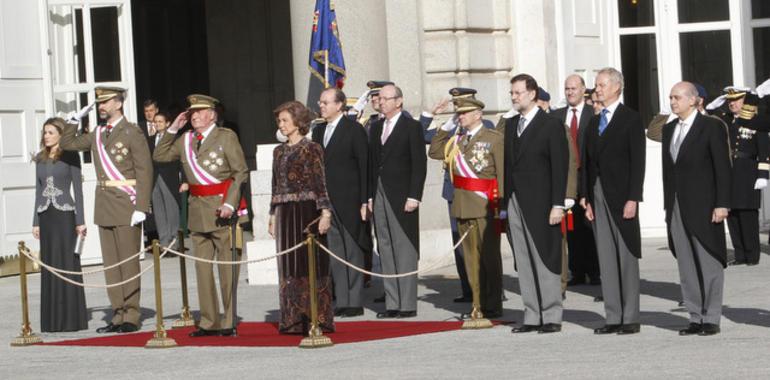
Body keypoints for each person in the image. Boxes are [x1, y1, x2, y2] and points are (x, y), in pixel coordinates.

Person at [154, 94, 249, 337]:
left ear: (212, 115)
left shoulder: (226, 137)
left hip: (221, 209)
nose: (194, 115)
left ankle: (228, 321)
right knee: (203, 270)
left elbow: (240, 172)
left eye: (200, 111)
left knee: (227, 269)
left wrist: (230, 203)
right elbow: (160, 155)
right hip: (197, 211)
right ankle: (209, 321)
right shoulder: (185, 139)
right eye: (192, 112)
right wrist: (173, 127)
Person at [60, 86, 152, 334]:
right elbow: (67, 143)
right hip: (104, 205)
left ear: (119, 103)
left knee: (128, 264)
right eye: (99, 102)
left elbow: (144, 170)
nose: (101, 106)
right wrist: (73, 120)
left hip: (126, 204)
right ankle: (118, 313)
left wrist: (141, 206)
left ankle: (131, 315)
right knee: (111, 264)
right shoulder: (98, 133)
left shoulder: (132, 132)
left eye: (106, 102)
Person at [662, 82, 731, 336]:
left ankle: (711, 316)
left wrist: (722, 203)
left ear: (694, 100)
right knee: (687, 264)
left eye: (677, 97)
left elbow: (722, 168)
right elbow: (668, 172)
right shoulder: (669, 129)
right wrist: (667, 207)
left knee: (708, 260)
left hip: (705, 205)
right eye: (671, 97)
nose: (672, 102)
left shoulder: (711, 127)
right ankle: (695, 316)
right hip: (677, 204)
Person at [502, 74, 569, 333]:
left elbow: (559, 167)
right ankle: (532, 314)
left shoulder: (550, 125)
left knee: (544, 256)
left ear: (532, 94)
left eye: (518, 92)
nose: (514, 97)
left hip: (542, 201)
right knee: (524, 258)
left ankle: (551, 313)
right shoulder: (511, 125)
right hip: (516, 199)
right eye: (512, 93)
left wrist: (558, 204)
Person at [582, 67, 646, 335]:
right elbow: (587, 162)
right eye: (596, 85)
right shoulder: (594, 121)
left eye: (602, 85)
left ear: (617, 87)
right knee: (606, 257)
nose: (597, 89)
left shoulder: (630, 118)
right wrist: (585, 196)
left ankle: (630, 316)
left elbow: (638, 162)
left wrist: (634, 197)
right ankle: (613, 316)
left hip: (622, 196)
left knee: (625, 255)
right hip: (597, 194)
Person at [428, 97, 504, 319]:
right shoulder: (456, 141)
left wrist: (502, 205)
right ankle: (476, 301)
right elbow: (434, 152)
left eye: (464, 113)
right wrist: (447, 127)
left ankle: (493, 303)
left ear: (478, 114)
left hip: (484, 206)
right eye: (458, 114)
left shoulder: (493, 139)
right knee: (469, 258)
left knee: (488, 258)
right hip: (461, 206)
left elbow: (501, 173)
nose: (460, 116)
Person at [269, 100, 334, 333]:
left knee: (311, 263)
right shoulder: (278, 151)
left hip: (308, 211)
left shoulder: (312, 148)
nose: (282, 124)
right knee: (289, 264)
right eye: (280, 121)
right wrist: (272, 215)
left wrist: (325, 213)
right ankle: (293, 318)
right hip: (285, 213)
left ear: (298, 122)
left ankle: (316, 317)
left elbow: (320, 182)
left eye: (286, 120)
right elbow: (275, 185)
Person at [368, 84, 427, 318]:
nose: (380, 102)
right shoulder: (375, 128)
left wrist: (415, 195)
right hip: (379, 192)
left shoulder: (411, 127)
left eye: (385, 98)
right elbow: (372, 164)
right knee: (385, 247)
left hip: (402, 195)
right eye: (379, 98)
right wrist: (369, 197)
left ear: (398, 101)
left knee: (404, 248)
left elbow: (418, 165)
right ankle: (392, 303)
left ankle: (407, 304)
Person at [311, 88, 370, 318]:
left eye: (326, 102)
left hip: (350, 199)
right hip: (326, 202)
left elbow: (364, 166)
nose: (322, 106)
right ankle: (342, 299)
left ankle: (354, 301)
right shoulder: (319, 131)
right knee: (335, 252)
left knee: (352, 250)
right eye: (320, 102)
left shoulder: (353, 129)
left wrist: (365, 200)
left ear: (340, 105)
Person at [32, 117, 88, 332]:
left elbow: (79, 192)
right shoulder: (40, 158)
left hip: (66, 216)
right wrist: (35, 221)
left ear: (60, 135)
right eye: (44, 132)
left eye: (50, 132)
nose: (46, 136)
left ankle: (70, 319)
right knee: (50, 264)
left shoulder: (71, 156)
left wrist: (80, 221)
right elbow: (38, 192)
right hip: (46, 217)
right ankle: (52, 319)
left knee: (66, 263)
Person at [552, 75, 600, 287]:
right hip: (566, 179)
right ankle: (577, 270)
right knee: (570, 228)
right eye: (566, 89)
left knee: (589, 225)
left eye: (573, 88)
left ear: (583, 90)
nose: (570, 92)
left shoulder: (593, 114)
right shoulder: (556, 116)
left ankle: (595, 271)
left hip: (587, 176)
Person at [721, 89, 769, 266]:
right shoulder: (727, 121)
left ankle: (752, 254)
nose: (732, 104)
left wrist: (763, 174)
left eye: (736, 100)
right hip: (729, 172)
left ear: (745, 101)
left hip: (748, 171)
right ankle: (740, 254)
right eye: (729, 101)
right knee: (732, 214)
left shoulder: (756, 122)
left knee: (747, 215)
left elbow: (764, 151)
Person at [149, 112, 183, 249]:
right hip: (154, 178)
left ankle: (174, 244)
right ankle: (164, 243)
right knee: (159, 211)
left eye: (160, 122)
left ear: (168, 124)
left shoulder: (175, 139)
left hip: (170, 177)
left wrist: (185, 180)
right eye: (155, 122)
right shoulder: (150, 139)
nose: (157, 124)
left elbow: (183, 160)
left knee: (172, 210)